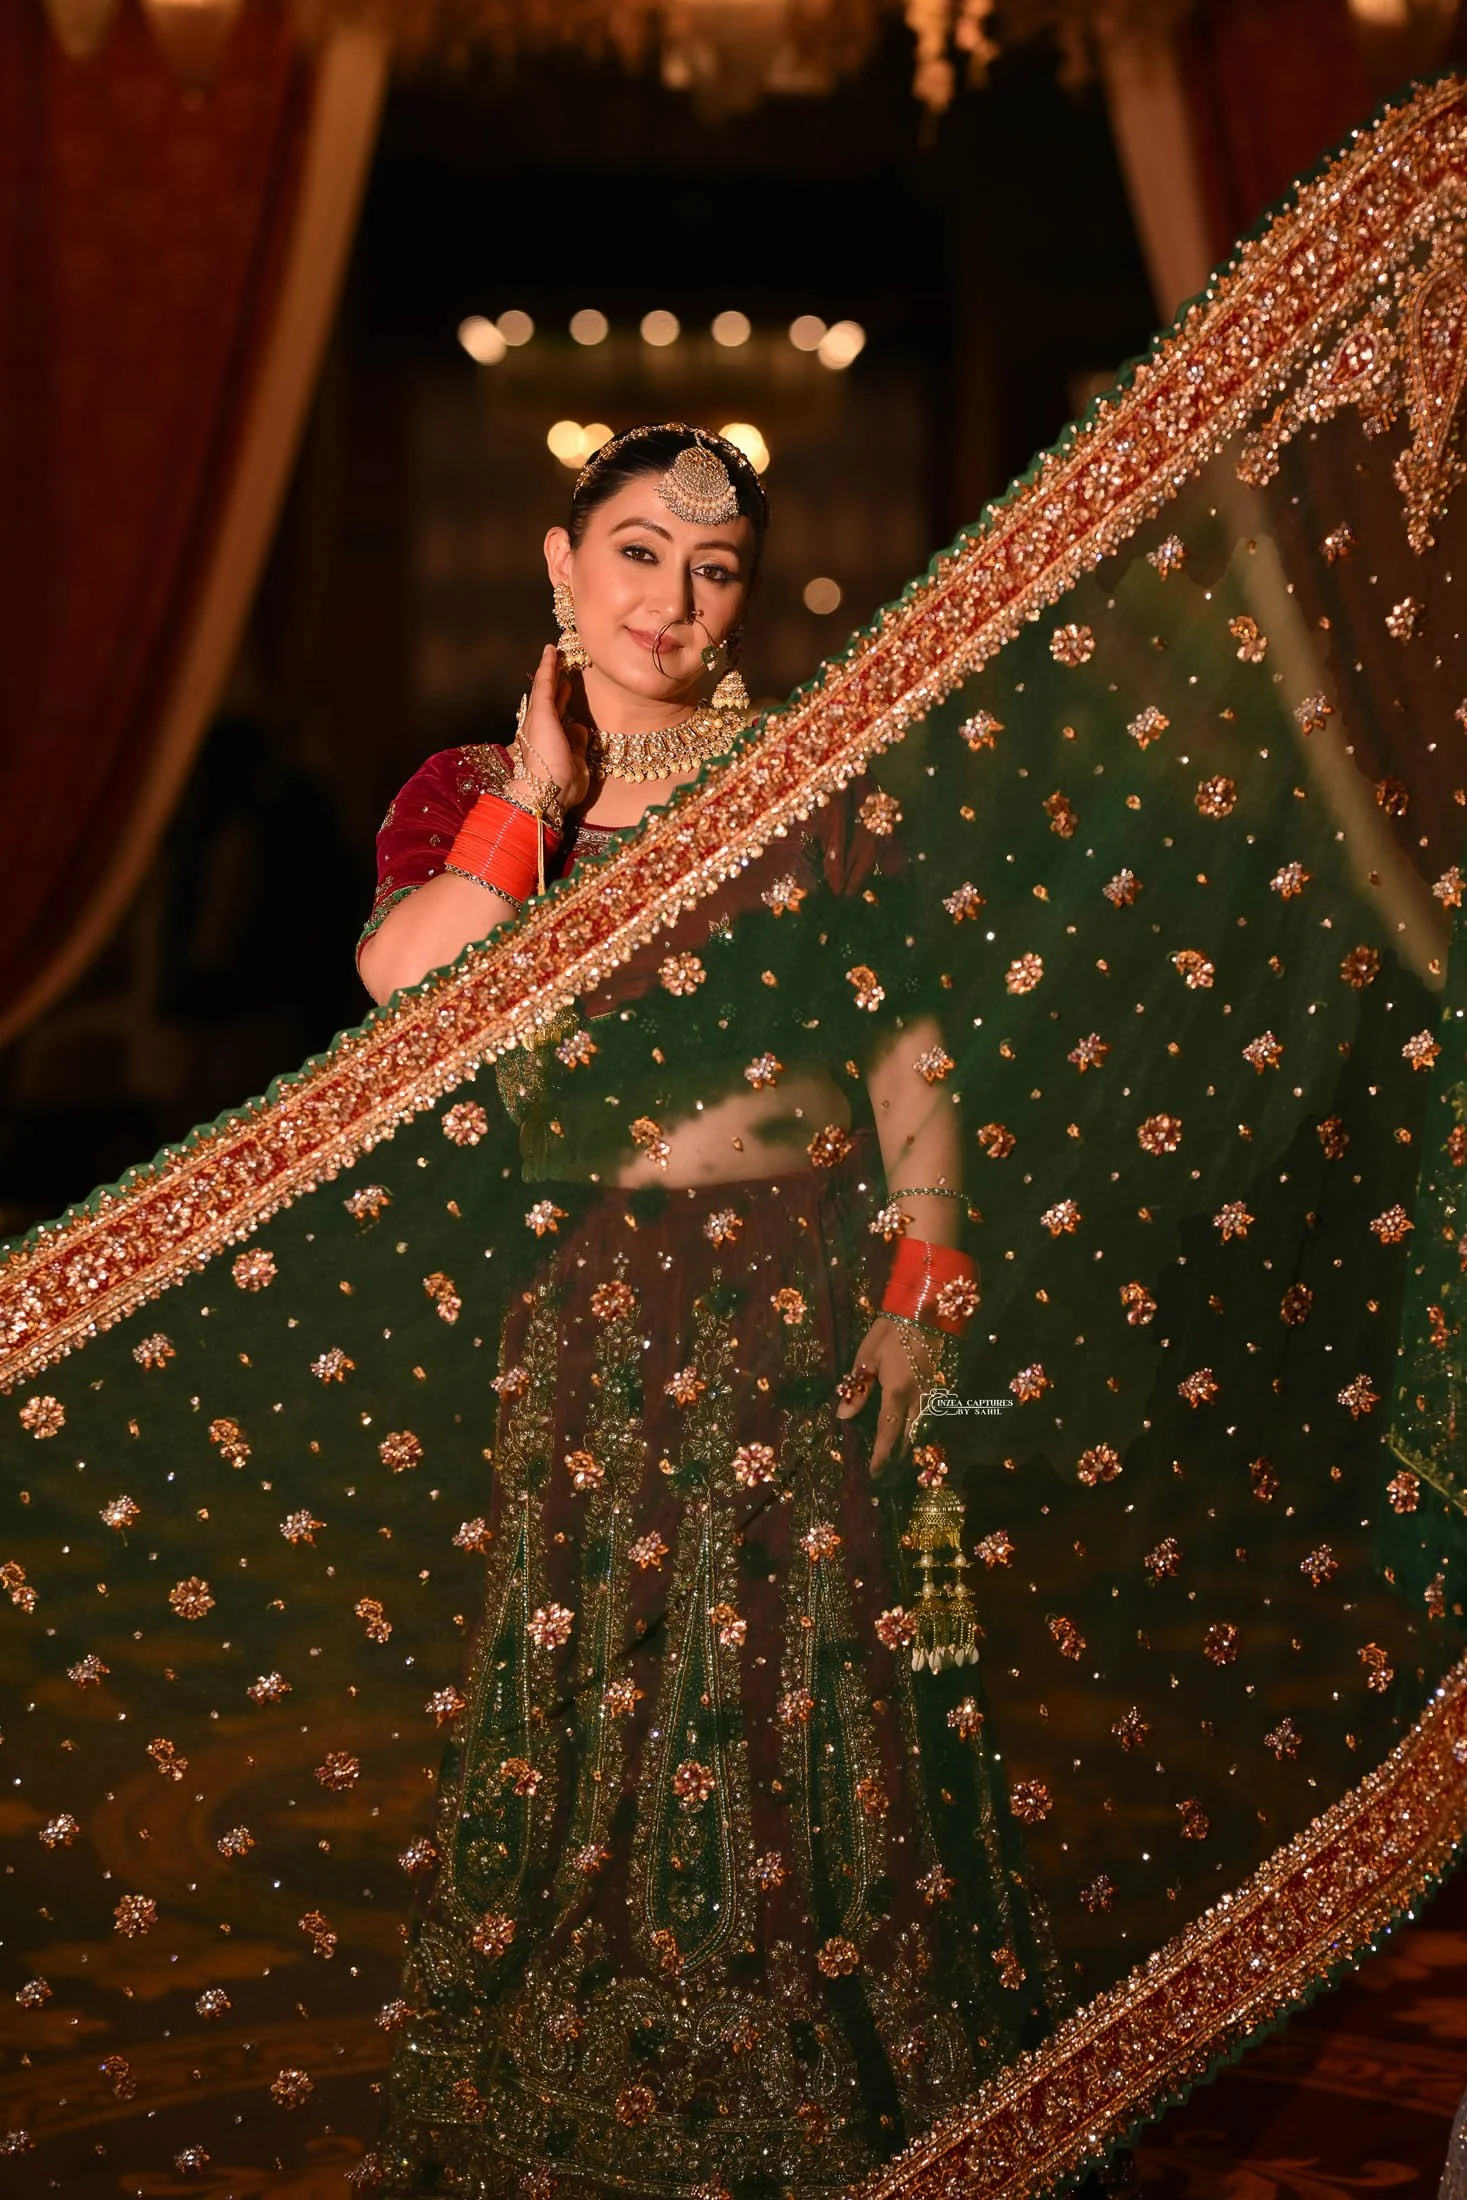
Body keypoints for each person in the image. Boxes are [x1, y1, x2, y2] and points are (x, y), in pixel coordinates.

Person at [4, 82, 1467, 2200]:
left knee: (803, 1674)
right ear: (559, 562)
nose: (675, 599)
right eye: (637, 554)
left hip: (800, 1271)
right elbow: (410, 994)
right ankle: (580, 2040)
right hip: (600, 1294)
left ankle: (817, 2050)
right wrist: (536, 793)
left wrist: (925, 1259)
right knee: (599, 1656)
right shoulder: (473, 798)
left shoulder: (809, 784)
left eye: (713, 569)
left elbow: (906, 1040)